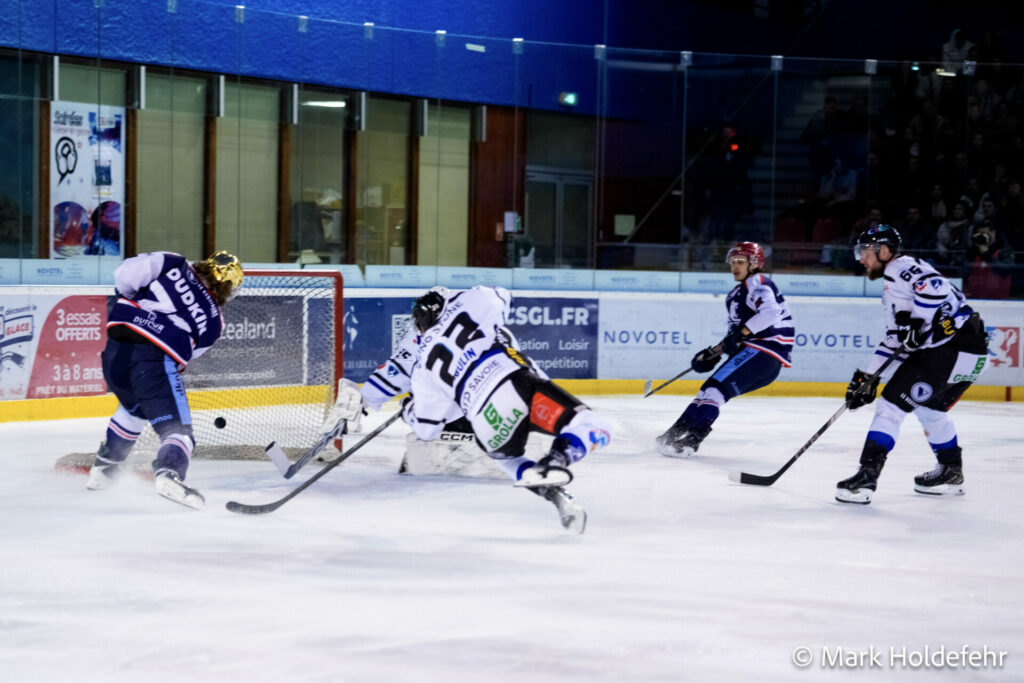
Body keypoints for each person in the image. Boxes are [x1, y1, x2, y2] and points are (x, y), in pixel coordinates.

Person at [401, 285, 612, 533]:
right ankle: (557, 460)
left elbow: (426, 430)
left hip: (483, 421)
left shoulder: (422, 367)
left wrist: (408, 408)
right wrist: (457, 300)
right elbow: (502, 295)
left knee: (507, 459)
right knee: (596, 425)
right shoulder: (471, 302)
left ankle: (552, 492)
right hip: (515, 387)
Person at [836, 225, 989, 504]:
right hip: (972, 353)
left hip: (951, 348)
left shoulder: (900, 266)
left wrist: (918, 322)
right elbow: (896, 340)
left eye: (865, 251)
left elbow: (935, 286)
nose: (861, 259)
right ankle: (950, 471)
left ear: (884, 251)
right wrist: (868, 378)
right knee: (931, 411)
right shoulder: (893, 286)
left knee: (890, 408)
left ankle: (866, 478)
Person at [85, 251, 244, 509]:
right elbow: (188, 353)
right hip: (154, 362)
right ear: (228, 289)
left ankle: (104, 470)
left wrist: (135, 305)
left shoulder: (173, 262)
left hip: (114, 354)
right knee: (179, 431)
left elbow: (124, 276)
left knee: (134, 411)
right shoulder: (215, 322)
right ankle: (169, 473)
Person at [656, 242, 794, 457]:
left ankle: (692, 441)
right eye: (733, 262)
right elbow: (735, 336)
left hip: (764, 352)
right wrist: (712, 354)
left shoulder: (758, 283)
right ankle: (673, 435)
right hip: (757, 355)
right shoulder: (736, 294)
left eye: (740, 262)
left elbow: (770, 313)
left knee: (713, 390)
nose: (734, 267)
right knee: (707, 391)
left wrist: (741, 333)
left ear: (754, 264)